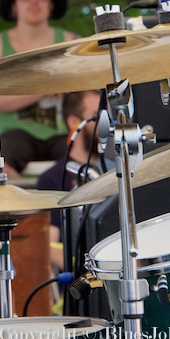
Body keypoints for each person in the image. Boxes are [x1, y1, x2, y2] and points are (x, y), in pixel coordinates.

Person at [0, 0, 80, 179]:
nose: (34, 1)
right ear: (14, 6)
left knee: (84, 159)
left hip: (63, 131)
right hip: (13, 132)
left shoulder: (70, 41)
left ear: (51, 4)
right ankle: (25, 211)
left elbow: (88, 92)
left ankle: (68, 211)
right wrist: (42, 90)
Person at [35, 89, 102, 271]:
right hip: (81, 285)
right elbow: (46, 246)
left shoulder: (119, 169)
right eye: (97, 117)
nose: (107, 124)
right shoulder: (53, 178)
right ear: (74, 122)